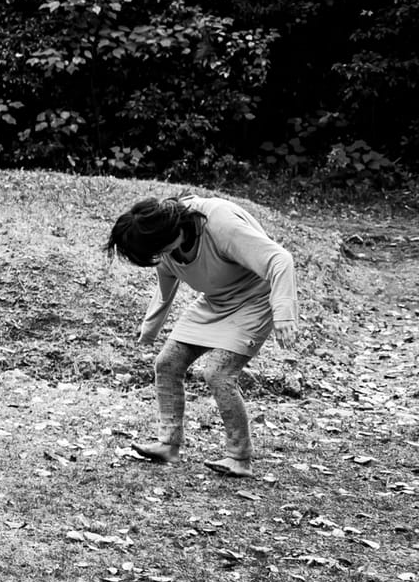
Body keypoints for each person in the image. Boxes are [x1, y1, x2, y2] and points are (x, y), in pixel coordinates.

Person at [106, 195, 303, 477]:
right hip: (215, 301)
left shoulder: (219, 223)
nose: (158, 258)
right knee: (168, 363)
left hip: (256, 299)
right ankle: (168, 445)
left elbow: (280, 260)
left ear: (171, 232)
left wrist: (284, 314)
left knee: (218, 373)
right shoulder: (163, 246)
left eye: (156, 251)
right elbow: (166, 284)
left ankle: (239, 457)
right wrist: (150, 327)